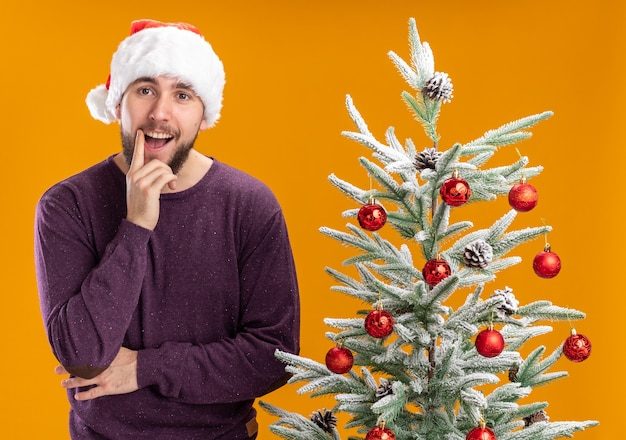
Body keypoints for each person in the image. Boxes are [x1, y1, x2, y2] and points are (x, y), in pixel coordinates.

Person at [34, 19, 300, 440]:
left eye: (182, 94)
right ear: (118, 103)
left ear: (204, 114)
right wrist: (136, 226)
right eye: (145, 90)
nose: (161, 112)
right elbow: (83, 357)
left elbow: (275, 357)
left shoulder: (250, 205)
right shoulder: (66, 205)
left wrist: (146, 368)